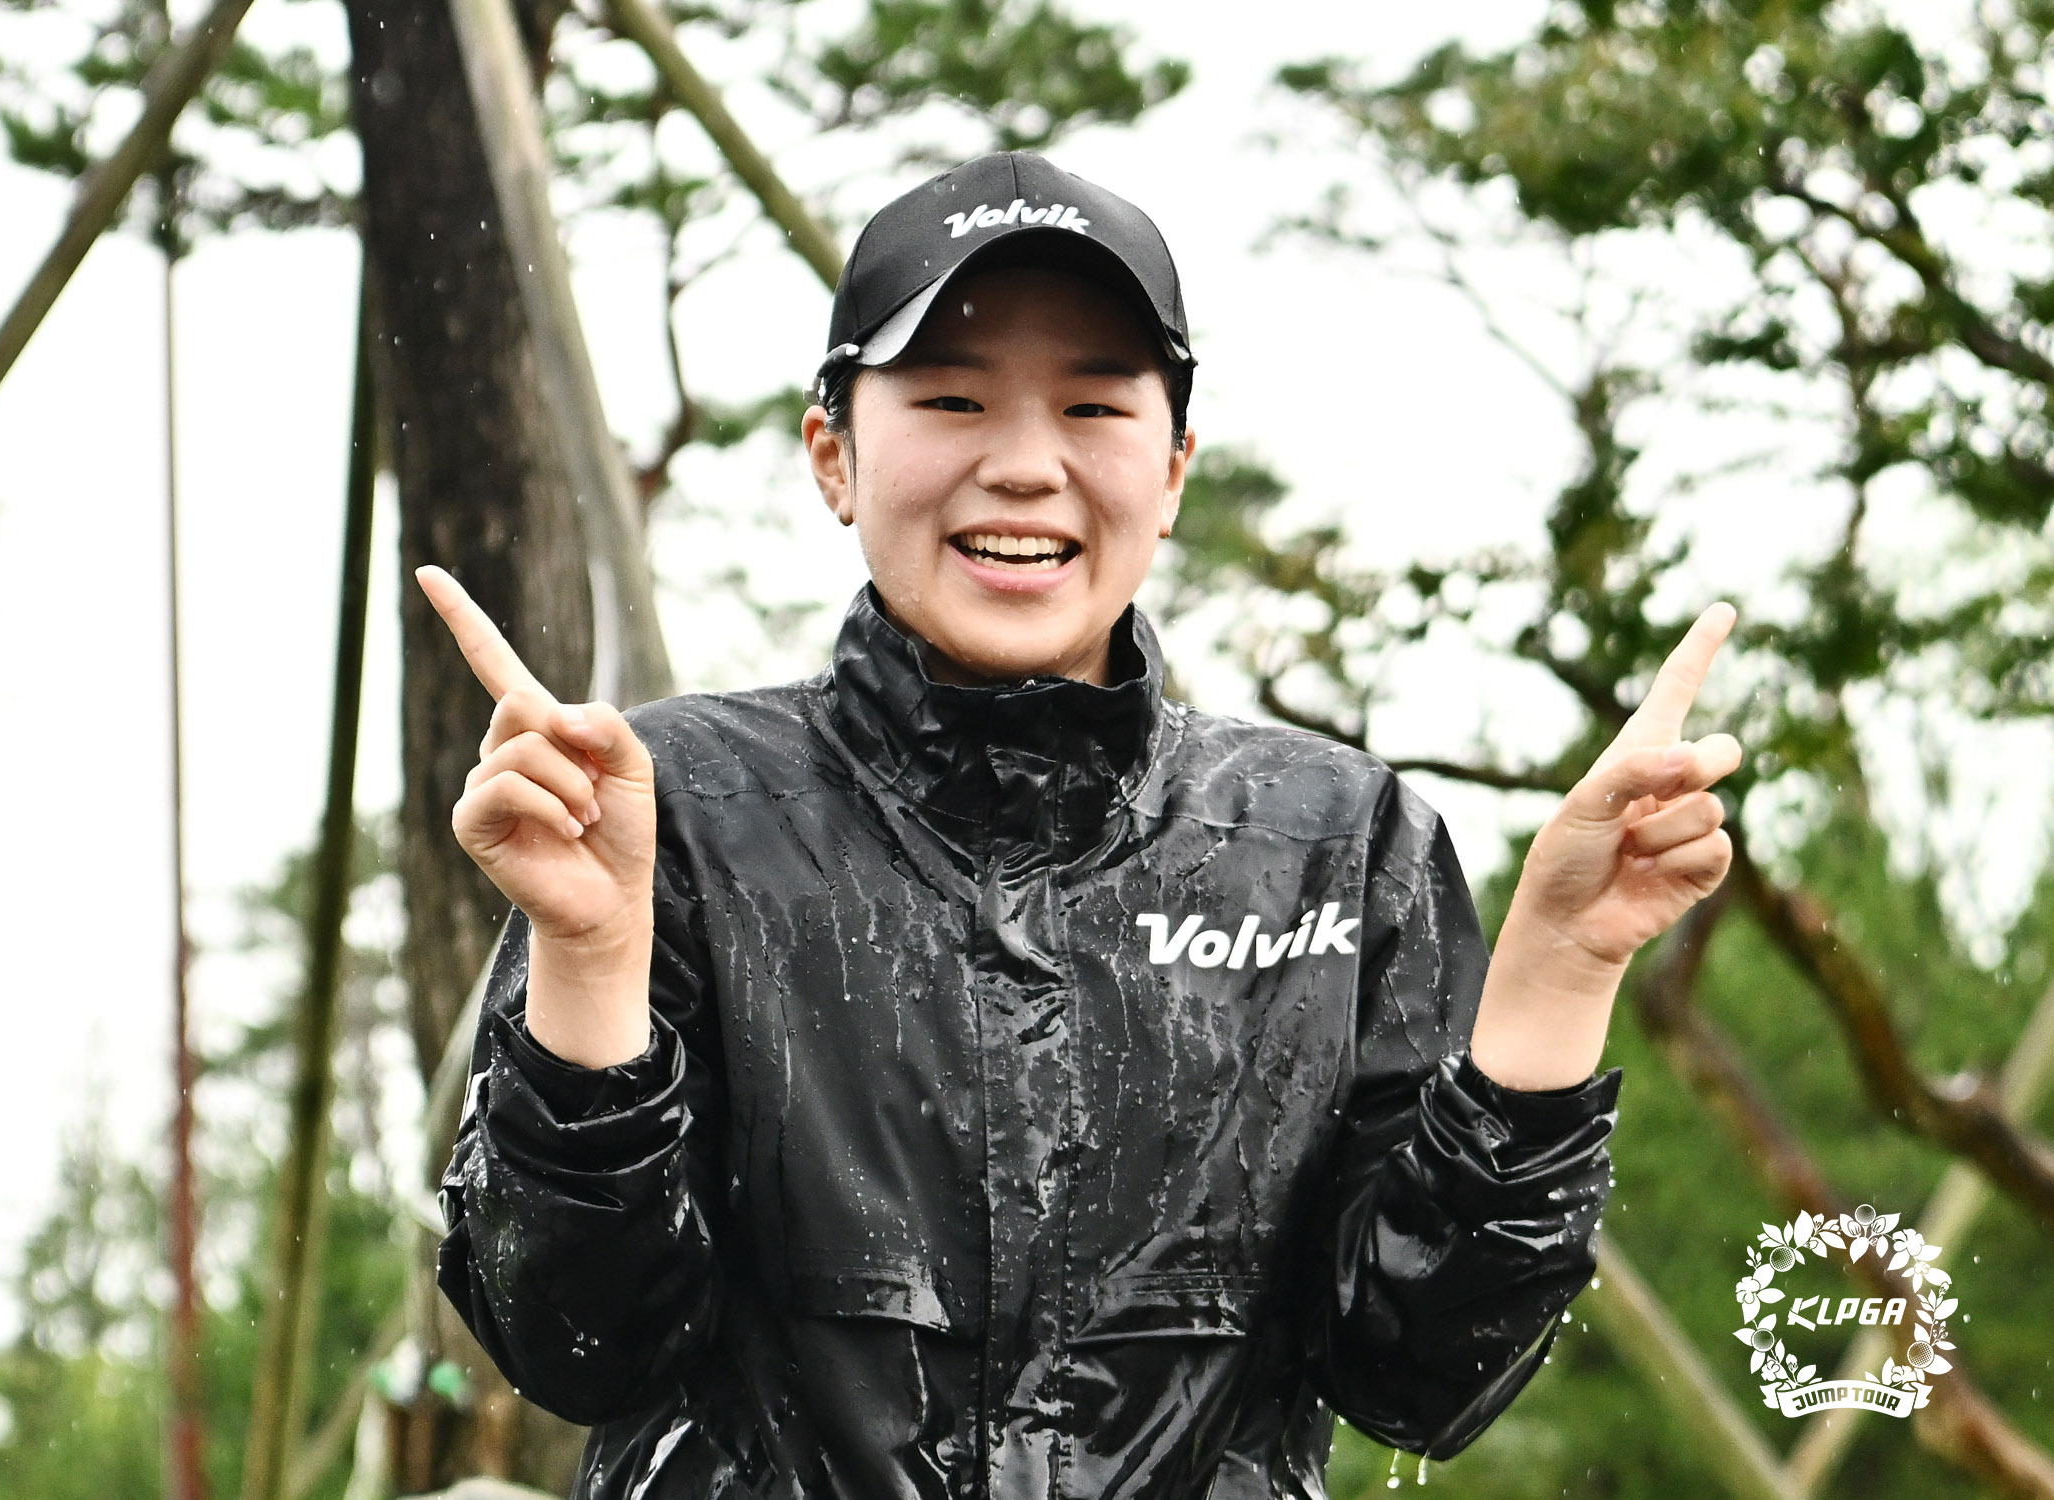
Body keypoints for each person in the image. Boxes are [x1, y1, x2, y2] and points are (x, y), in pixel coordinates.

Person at [418, 150, 1742, 1500]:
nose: (1024, 466)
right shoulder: (674, 812)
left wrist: (1558, 975)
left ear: (1172, 472)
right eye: (952, 399)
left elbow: (1423, 1375)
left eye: (1094, 406)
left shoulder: (1331, 845)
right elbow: (577, 1343)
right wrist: (588, 967)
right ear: (834, 457)